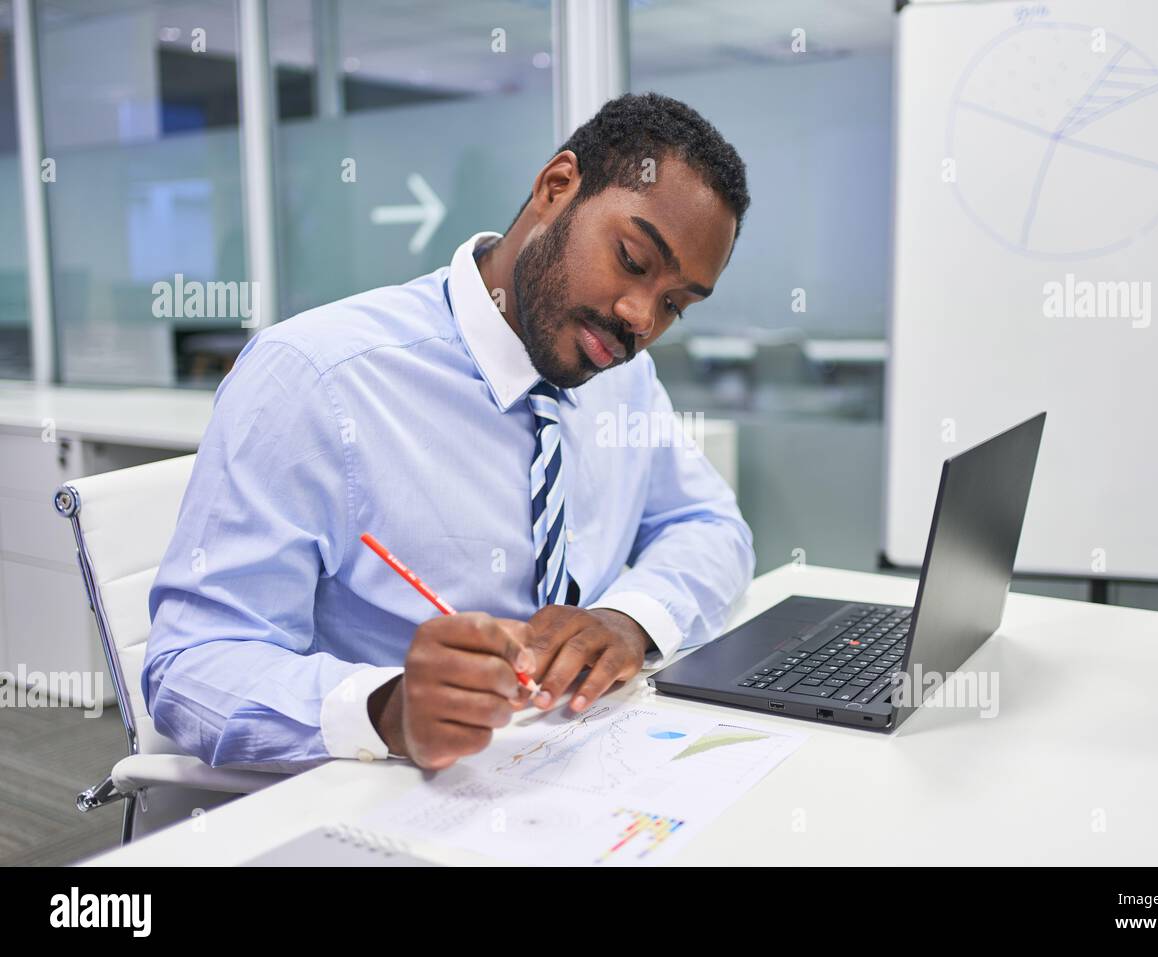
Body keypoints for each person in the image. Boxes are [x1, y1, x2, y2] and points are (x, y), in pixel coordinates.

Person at [144, 92, 755, 772]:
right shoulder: (316, 377)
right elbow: (191, 662)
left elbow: (710, 523)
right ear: (557, 187)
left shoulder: (621, 377)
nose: (640, 317)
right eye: (634, 260)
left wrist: (631, 620)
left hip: (584, 775)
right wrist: (385, 708)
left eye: (675, 304)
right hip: (394, 802)